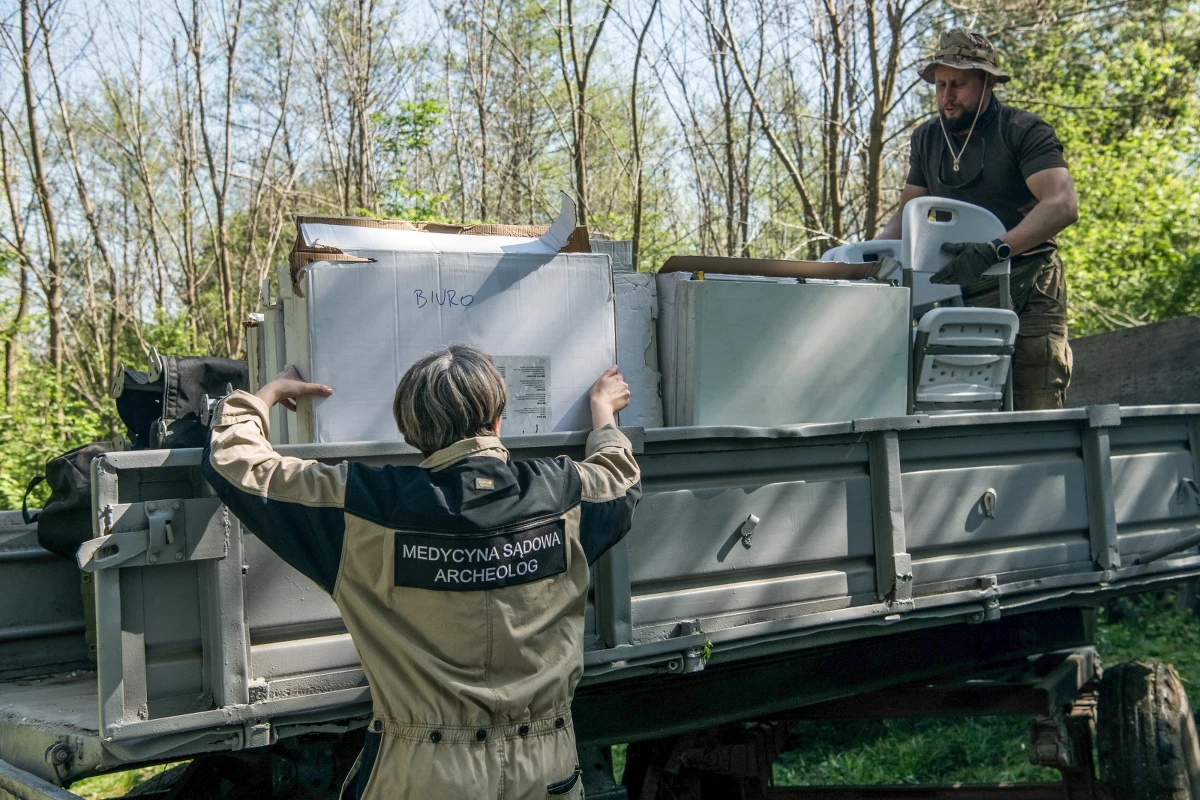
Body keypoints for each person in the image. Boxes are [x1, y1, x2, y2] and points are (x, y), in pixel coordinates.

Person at [203, 346, 642, 800]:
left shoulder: (361, 505)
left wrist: (268, 394)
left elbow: (237, 463)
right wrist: (603, 413)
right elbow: (620, 477)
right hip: (548, 771)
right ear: (497, 419)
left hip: (423, 777)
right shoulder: (563, 494)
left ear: (412, 431)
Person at [876, 28, 1079, 409]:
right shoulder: (927, 139)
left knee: (1037, 401)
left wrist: (995, 249)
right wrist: (872, 261)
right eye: (940, 85)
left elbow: (1062, 203)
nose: (946, 97)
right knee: (963, 405)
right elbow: (905, 215)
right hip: (959, 291)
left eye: (958, 84)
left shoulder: (1022, 131)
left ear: (987, 82)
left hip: (1029, 281)